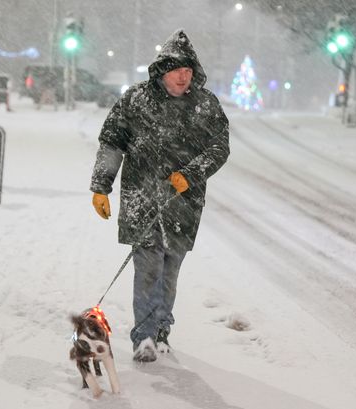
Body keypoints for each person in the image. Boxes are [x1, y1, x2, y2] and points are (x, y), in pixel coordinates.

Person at [89, 29, 230, 362]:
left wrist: (192, 174)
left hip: (183, 205)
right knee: (148, 268)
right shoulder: (135, 101)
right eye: (176, 69)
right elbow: (112, 143)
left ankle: (162, 331)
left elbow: (219, 147)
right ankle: (145, 336)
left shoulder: (205, 104)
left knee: (169, 272)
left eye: (188, 69)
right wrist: (100, 186)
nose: (183, 76)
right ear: (162, 70)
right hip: (142, 200)